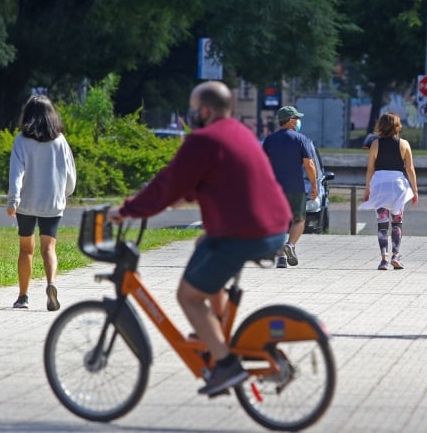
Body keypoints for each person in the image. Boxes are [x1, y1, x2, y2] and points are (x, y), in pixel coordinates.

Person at [107, 81, 291, 396]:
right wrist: (187, 194)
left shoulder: (203, 140)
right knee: (201, 245)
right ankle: (216, 328)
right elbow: (215, 176)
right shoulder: (239, 132)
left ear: (204, 111)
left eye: (193, 109)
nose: (191, 115)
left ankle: (225, 365)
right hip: (275, 226)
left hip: (245, 233)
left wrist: (127, 210)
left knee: (188, 296)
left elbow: (167, 183)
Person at [7, 95, 76, 311]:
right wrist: (64, 193)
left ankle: (23, 297)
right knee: (49, 248)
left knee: (26, 249)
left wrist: (13, 200)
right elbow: (70, 175)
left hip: (26, 203)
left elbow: (16, 173)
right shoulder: (60, 141)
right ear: (51, 116)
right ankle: (51, 284)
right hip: (52, 203)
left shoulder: (21, 140)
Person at [359, 113, 418, 270]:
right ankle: (396, 255)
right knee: (397, 221)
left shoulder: (375, 144)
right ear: (397, 126)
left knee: (382, 223)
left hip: (379, 184)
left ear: (381, 125)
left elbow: (370, 169)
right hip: (398, 184)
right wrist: (415, 189)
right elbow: (410, 169)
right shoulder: (404, 144)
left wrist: (367, 189)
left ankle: (384, 259)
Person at [262, 105, 318, 268]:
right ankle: (290, 245)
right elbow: (309, 164)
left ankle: (280, 257)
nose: (299, 121)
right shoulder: (301, 139)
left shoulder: (269, 140)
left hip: (274, 189)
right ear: (291, 121)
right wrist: (314, 184)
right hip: (295, 187)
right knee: (299, 219)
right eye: (297, 118)